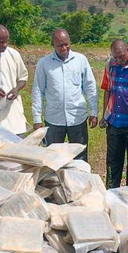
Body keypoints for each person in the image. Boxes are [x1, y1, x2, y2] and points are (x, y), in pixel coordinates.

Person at [31, 29, 98, 161]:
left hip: (77, 118)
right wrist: (37, 118)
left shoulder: (80, 60)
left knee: (80, 158)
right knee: (53, 158)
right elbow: (38, 90)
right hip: (54, 120)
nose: (64, 48)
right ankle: (56, 182)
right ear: (53, 45)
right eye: (60, 45)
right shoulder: (44, 64)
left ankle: (79, 181)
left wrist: (94, 112)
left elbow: (90, 86)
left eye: (66, 44)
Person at [99, 39, 128, 188]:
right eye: (115, 56)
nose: (118, 60)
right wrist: (104, 115)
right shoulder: (110, 65)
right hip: (114, 122)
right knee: (113, 162)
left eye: (121, 56)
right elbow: (108, 90)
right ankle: (111, 194)